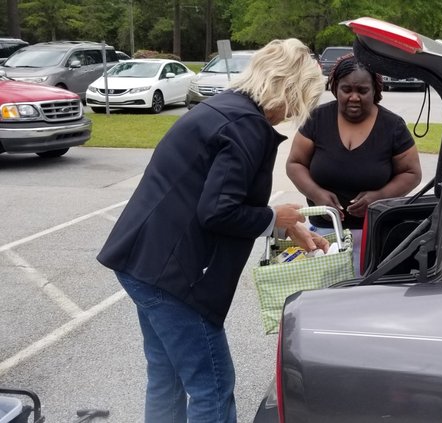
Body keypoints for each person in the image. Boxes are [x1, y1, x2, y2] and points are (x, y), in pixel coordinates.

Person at [96, 38, 327, 423]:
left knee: (166, 376)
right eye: (299, 101)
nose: (292, 112)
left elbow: (213, 198)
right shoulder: (246, 126)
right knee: (213, 385)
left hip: (142, 261)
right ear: (288, 89)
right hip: (174, 275)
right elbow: (218, 211)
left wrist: (286, 229)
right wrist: (273, 217)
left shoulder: (222, 109)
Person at [286, 53, 422, 275]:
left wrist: (379, 196)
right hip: (325, 232)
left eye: (362, 91)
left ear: (376, 90)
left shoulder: (393, 126)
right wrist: (317, 192)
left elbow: (411, 173)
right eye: (346, 90)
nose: (354, 97)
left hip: (374, 232)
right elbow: (295, 163)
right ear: (335, 88)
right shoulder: (318, 119)